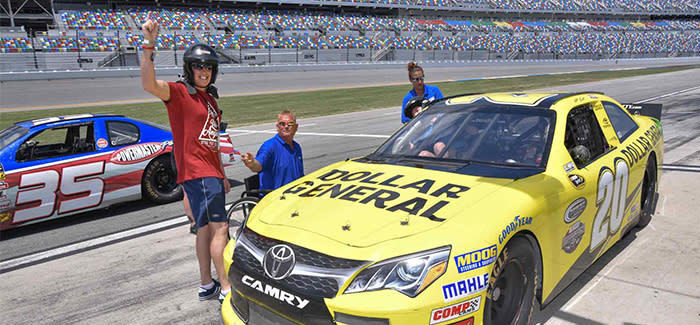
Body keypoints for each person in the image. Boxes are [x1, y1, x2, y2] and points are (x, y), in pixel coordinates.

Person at [140, 16, 231, 304]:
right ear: (188, 69)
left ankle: (207, 285)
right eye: (197, 66)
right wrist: (148, 44)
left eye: (208, 67)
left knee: (205, 230)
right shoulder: (179, 93)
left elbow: (211, 141)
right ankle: (227, 287)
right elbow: (149, 84)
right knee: (221, 229)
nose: (203, 71)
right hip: (197, 173)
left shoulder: (211, 100)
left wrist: (223, 174)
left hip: (209, 173)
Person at [241, 110, 304, 191]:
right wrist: (252, 163)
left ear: (296, 127)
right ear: (277, 127)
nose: (286, 126)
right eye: (282, 124)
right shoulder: (269, 146)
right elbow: (258, 166)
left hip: (295, 193)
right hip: (276, 197)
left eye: (290, 123)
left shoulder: (297, 147)